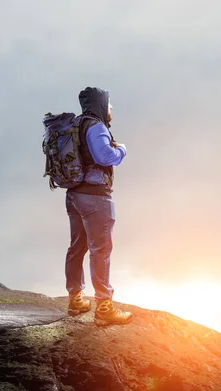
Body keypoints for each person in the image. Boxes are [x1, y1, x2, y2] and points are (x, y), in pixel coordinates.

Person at [64, 87, 133, 326]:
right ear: (100, 104)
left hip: (74, 195)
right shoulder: (95, 126)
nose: (111, 108)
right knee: (100, 251)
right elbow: (106, 157)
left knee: (77, 247)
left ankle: (76, 299)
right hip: (95, 197)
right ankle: (104, 307)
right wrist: (122, 148)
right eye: (109, 103)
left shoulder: (77, 124)